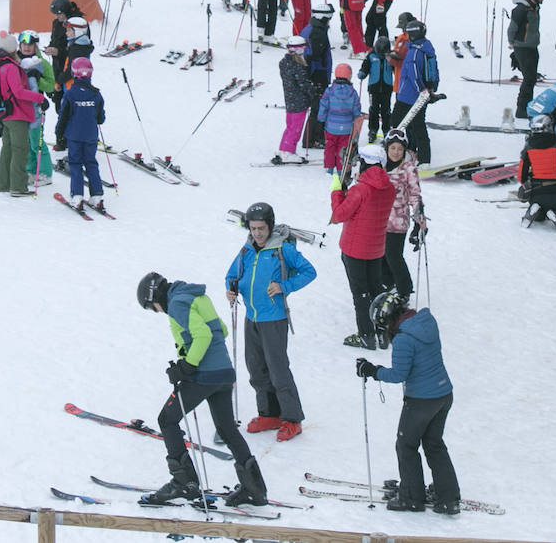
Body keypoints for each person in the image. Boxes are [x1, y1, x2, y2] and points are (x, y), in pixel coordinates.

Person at [135, 272, 268, 508]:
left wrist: (187, 366)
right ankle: (254, 489)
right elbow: (222, 331)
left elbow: (203, 335)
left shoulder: (176, 304)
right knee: (227, 430)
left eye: (151, 307)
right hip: (224, 373)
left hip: (203, 375)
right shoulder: (195, 297)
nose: (156, 311)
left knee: (167, 420)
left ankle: (183, 483)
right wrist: (187, 359)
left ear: (155, 296)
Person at [354, 290, 460, 514]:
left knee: (406, 445)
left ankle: (412, 497)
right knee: (434, 444)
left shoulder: (403, 338)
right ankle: (448, 497)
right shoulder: (426, 322)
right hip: (443, 395)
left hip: (421, 401)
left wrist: (373, 371)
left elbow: (399, 374)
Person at [226, 202, 317, 442]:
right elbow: (232, 275)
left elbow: (309, 272)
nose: (257, 233)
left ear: (270, 226)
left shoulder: (281, 249)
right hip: (251, 317)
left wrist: (284, 286)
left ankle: (292, 419)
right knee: (256, 367)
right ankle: (269, 413)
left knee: (278, 370)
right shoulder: (247, 249)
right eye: (253, 228)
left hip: (274, 319)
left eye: (261, 228)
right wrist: (231, 289)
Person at [332, 144, 396, 348]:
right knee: (376, 290)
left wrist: (336, 192)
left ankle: (366, 336)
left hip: (354, 249)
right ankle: (382, 333)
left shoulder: (360, 190)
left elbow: (339, 214)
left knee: (360, 293)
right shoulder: (389, 187)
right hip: (376, 248)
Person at [0, 46, 47, 196]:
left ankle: (4, 184)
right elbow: (18, 92)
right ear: (10, 51)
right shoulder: (11, 67)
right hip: (17, 113)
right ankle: (18, 187)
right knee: (20, 150)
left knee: (7, 150)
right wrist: (40, 98)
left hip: (4, 114)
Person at [60, 57, 107, 211]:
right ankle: (97, 196)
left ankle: (77, 196)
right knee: (91, 163)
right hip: (91, 136)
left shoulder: (70, 94)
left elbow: (63, 116)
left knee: (75, 164)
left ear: (74, 73)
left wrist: (59, 132)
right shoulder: (96, 94)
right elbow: (101, 118)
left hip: (74, 136)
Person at [381, 130, 423, 298]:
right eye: (393, 148)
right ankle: (388, 283)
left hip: (398, 221)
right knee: (380, 255)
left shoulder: (408, 168)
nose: (396, 152)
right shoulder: (380, 165)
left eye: (399, 148)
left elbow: (414, 194)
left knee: (393, 255)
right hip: (379, 218)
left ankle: (404, 289)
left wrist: (418, 217)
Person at [519, 114, 556, 230]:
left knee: (540, 217)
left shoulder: (529, 147)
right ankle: (555, 214)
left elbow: (521, 176)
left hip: (536, 191)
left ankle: (536, 211)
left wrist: (527, 182)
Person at [392, 19, 438, 164]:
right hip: (421, 96)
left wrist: (421, 90)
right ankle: (420, 157)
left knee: (396, 124)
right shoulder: (427, 49)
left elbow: (413, 74)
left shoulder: (414, 52)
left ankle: (392, 155)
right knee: (417, 126)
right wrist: (430, 89)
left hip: (408, 96)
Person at [16, 31, 56, 187]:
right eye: (24, 44)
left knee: (36, 140)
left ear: (35, 46)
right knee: (25, 141)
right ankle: (31, 170)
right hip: (19, 107)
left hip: (35, 107)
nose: (26, 48)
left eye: (30, 45)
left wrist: (38, 79)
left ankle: (45, 172)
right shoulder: (15, 60)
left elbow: (51, 85)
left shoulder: (41, 63)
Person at [52, 16, 96, 151]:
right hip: (78, 87)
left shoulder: (78, 48)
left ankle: (63, 140)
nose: (66, 33)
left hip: (72, 87)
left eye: (69, 31)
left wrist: (59, 81)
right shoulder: (80, 46)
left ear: (77, 32)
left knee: (67, 114)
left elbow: (71, 70)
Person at [509, 0, 550, 118]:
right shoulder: (522, 10)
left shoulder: (534, 7)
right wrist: (512, 43)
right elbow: (512, 28)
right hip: (524, 48)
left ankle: (527, 106)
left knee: (531, 79)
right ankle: (522, 109)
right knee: (529, 79)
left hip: (531, 47)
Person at [300, 4, 335, 149]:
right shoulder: (317, 32)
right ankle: (312, 139)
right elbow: (314, 56)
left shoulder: (312, 28)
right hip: (317, 75)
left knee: (318, 107)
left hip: (314, 74)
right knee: (318, 109)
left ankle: (314, 137)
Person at [318, 63, 362, 173]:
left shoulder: (329, 91)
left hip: (331, 126)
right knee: (342, 148)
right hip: (346, 127)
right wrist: (356, 116)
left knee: (330, 147)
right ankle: (340, 168)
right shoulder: (353, 93)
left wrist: (321, 118)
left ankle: (329, 167)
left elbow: (324, 105)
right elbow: (356, 108)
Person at [275, 36, 313, 164]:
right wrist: (313, 92)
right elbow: (302, 83)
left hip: (289, 99)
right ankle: (288, 152)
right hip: (299, 101)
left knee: (290, 126)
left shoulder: (284, 62)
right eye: (303, 47)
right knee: (296, 128)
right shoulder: (297, 64)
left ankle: (283, 148)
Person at [44, 0, 84, 106]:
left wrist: (58, 51)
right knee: (59, 105)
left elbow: (78, 50)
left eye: (59, 14)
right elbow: (55, 41)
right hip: (58, 67)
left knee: (71, 106)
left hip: (71, 71)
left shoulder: (78, 24)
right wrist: (50, 48)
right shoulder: (57, 23)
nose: (57, 17)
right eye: (55, 14)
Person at [358, 37, 396, 144]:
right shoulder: (371, 56)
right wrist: (362, 73)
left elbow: (396, 68)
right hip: (373, 88)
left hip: (386, 88)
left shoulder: (390, 57)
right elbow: (365, 67)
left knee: (386, 110)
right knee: (373, 110)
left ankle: (386, 129)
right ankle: (373, 129)